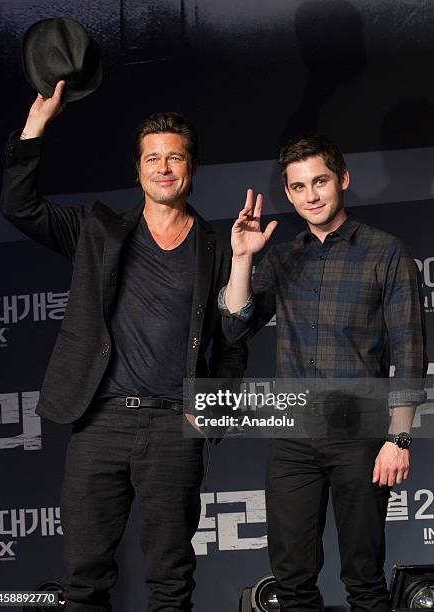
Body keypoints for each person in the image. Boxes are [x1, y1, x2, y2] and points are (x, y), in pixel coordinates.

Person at [1, 80, 247, 612]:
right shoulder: (98, 230)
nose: (162, 168)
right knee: (84, 581)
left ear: (192, 169)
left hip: (173, 427)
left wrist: (211, 414)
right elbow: (19, 207)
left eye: (174, 158)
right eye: (151, 158)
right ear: (137, 169)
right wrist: (36, 125)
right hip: (100, 424)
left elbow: (232, 342)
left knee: (171, 581)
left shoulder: (217, 247)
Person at [219, 134, 427, 612]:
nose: (311, 195)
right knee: (291, 582)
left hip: (361, 433)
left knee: (364, 579)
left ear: (343, 180)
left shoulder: (385, 252)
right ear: (288, 194)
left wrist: (399, 439)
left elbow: (410, 352)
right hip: (293, 434)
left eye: (320, 181)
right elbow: (235, 326)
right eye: (297, 187)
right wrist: (243, 257)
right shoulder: (284, 256)